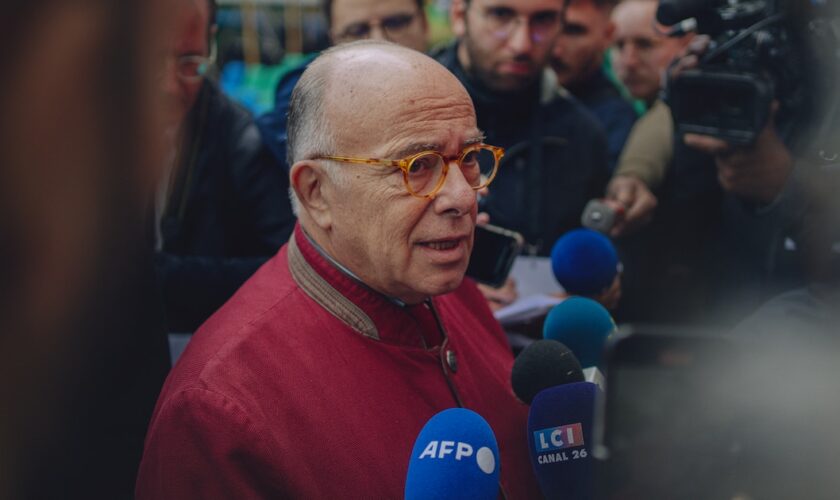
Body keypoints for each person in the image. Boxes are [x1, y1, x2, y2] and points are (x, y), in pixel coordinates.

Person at [136, 41, 542, 498]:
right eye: (418, 166)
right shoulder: (218, 412)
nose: (464, 197)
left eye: (469, 158)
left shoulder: (449, 285)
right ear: (316, 192)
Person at [156, 0, 296, 332]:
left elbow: (289, 268)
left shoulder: (242, 141)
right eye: (148, 61)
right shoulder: (83, 133)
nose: (168, 87)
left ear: (211, 42)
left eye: (190, 63)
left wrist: (154, 278)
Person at [435, 0, 610, 257]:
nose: (522, 44)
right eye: (501, 15)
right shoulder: (397, 114)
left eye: (544, 19)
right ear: (460, 16)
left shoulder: (582, 136)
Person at [256, 0, 429, 169]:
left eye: (396, 23)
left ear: (424, 23)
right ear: (333, 39)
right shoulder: (303, 98)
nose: (379, 40)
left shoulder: (452, 82)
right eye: (357, 31)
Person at [550, 0, 637, 170]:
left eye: (574, 31)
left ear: (607, 35)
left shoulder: (615, 121)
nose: (556, 50)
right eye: (546, 24)